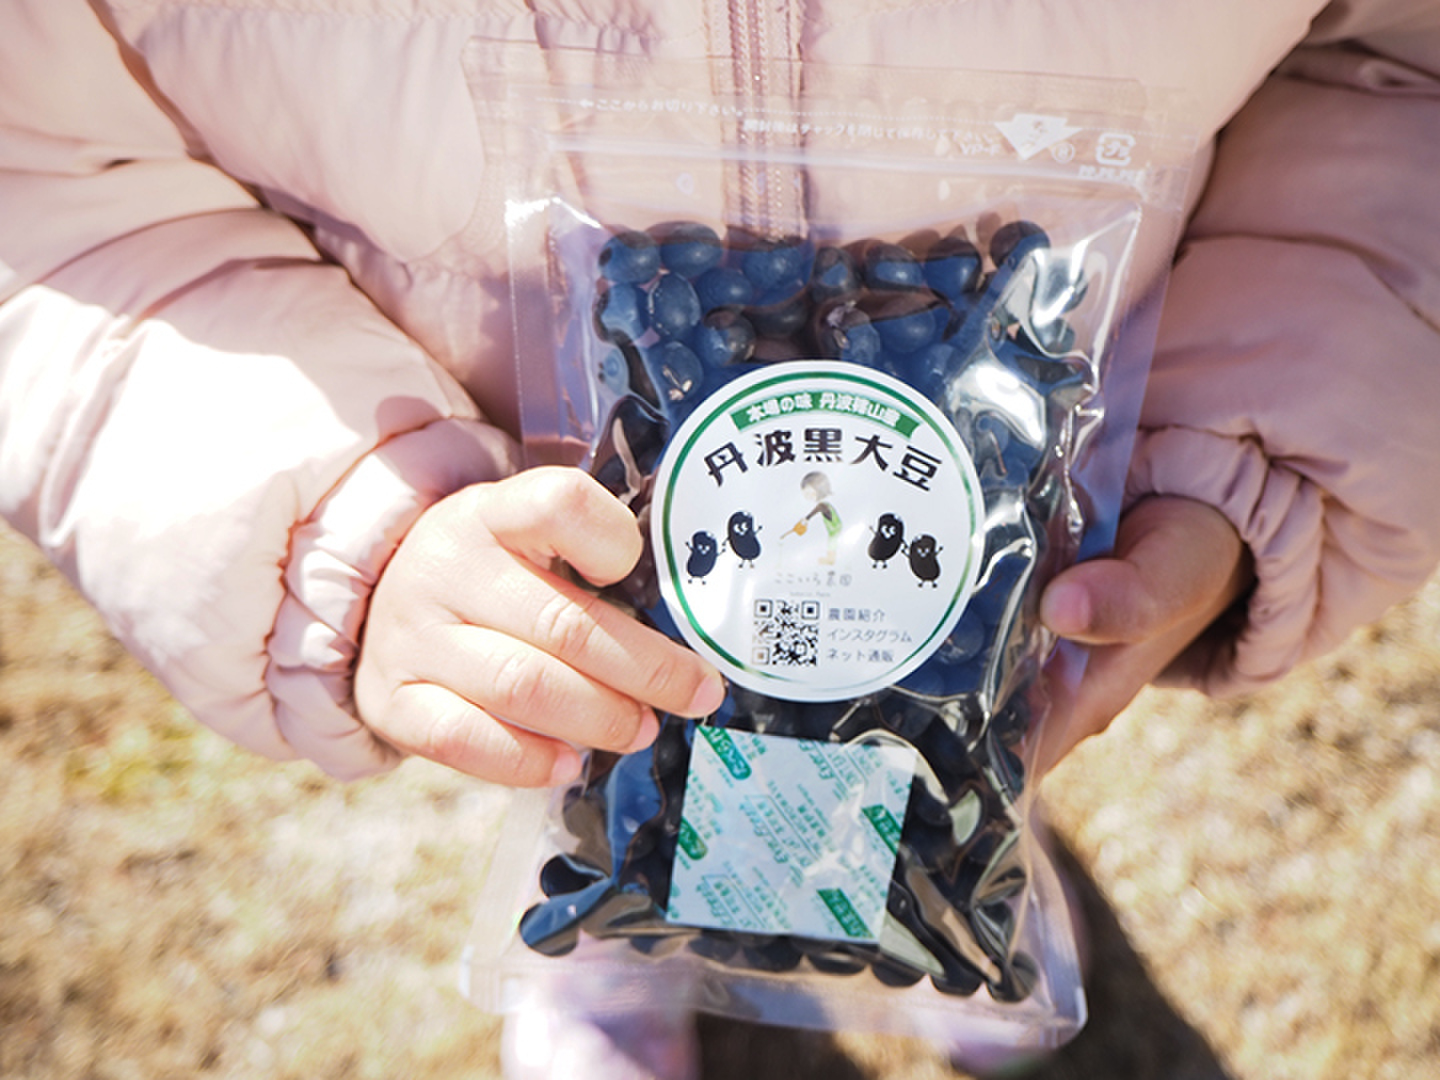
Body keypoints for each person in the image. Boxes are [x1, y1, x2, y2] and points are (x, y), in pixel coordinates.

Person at [4, 2, 1440, 1077]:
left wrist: (1245, 462)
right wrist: (339, 520)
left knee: (937, 710)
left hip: (987, 521)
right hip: (533, 503)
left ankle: (938, 867)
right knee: (610, 749)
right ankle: (619, 954)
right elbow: (41, 190)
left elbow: (1396, 72)